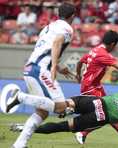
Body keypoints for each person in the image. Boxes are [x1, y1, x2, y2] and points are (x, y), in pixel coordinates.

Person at [7, 3, 76, 148]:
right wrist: (54, 66)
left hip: (31, 68)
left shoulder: (48, 27)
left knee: (42, 112)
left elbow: (46, 49)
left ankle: (19, 144)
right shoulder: (67, 28)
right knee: (61, 108)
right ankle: (20, 97)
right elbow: (57, 42)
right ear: (72, 16)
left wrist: (59, 67)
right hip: (41, 70)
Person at [75, 30, 118, 144]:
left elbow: (80, 61)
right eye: (115, 45)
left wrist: (78, 75)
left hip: (93, 86)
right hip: (91, 87)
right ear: (112, 44)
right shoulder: (103, 55)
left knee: (110, 111)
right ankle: (82, 133)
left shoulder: (95, 49)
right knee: (106, 115)